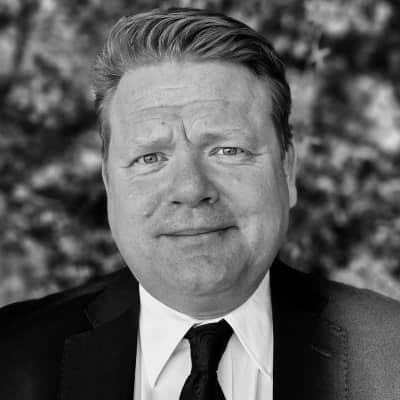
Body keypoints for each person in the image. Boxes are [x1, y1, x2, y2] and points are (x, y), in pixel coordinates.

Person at [1, 7, 399, 400]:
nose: (191, 189)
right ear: (108, 181)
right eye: (150, 157)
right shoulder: (10, 354)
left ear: (287, 170)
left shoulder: (392, 353)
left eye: (227, 150)